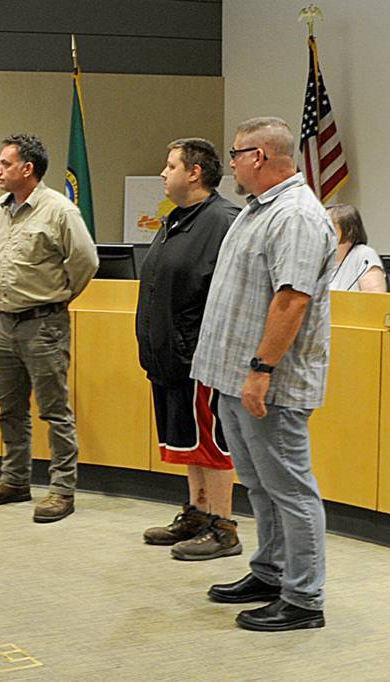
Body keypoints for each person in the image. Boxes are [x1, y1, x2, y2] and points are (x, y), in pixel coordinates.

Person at [191, 117, 335, 632]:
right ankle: (271, 572)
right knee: (260, 486)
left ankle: (303, 598)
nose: (229, 163)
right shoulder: (257, 210)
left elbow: (292, 299)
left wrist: (261, 370)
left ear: (259, 156)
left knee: (291, 490)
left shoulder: (295, 214)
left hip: (267, 383)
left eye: (235, 153)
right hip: (235, 378)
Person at [0, 133, 98, 523]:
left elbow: (86, 261)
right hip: (5, 323)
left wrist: (58, 298)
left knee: (54, 411)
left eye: (5, 163)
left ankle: (62, 490)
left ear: (27, 169)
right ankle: (15, 480)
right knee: (9, 409)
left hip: (43, 324)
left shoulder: (59, 210)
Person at [137, 138, 241, 560]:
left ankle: (224, 526)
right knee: (187, 442)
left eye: (170, 165)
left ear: (194, 173)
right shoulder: (176, 219)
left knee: (211, 444)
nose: (163, 173)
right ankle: (198, 513)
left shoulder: (224, 221)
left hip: (202, 356)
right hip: (170, 355)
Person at [326, 204, 387, 292]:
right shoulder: (321, 257)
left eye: (329, 226)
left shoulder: (365, 255)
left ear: (349, 230)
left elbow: (374, 301)